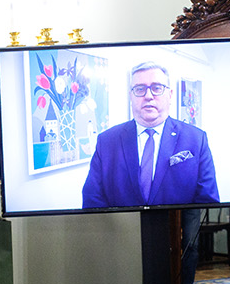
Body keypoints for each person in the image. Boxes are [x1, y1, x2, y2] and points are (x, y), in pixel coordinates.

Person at [81, 62, 218, 208]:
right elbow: (92, 200)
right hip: (122, 230)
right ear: (131, 96)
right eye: (140, 89)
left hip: (177, 229)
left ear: (170, 95)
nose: (148, 96)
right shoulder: (107, 141)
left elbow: (207, 202)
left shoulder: (196, 139)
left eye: (157, 88)